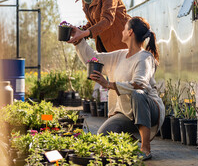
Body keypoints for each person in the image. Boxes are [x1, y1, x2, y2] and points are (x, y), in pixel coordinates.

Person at [70, 16, 165, 161]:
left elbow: (140, 84)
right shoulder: (120, 56)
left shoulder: (145, 58)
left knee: (138, 94)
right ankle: (129, 146)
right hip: (127, 112)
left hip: (150, 109)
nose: (121, 31)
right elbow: (94, 58)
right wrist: (79, 39)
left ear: (130, 32)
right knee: (103, 136)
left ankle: (145, 149)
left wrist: (108, 84)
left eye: (124, 28)